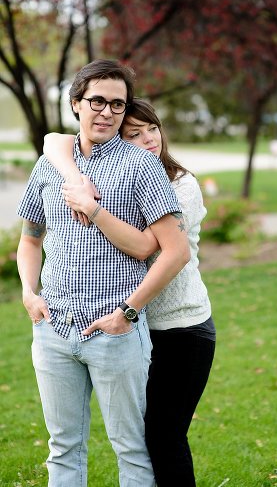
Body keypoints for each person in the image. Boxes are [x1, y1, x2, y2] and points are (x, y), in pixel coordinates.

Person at [16, 59, 191, 486]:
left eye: (117, 104)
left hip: (116, 333)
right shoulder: (50, 165)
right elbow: (31, 238)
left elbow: (175, 250)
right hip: (54, 329)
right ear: (76, 103)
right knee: (63, 449)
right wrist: (28, 292)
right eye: (97, 101)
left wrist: (127, 313)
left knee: (131, 449)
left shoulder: (141, 166)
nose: (107, 112)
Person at [43, 98, 215, 486]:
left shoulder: (180, 185)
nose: (149, 139)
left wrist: (92, 208)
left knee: (164, 437)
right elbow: (53, 140)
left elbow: (150, 247)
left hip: (181, 328)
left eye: (152, 128)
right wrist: (75, 178)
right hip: (136, 331)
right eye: (134, 134)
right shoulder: (117, 179)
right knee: (141, 439)